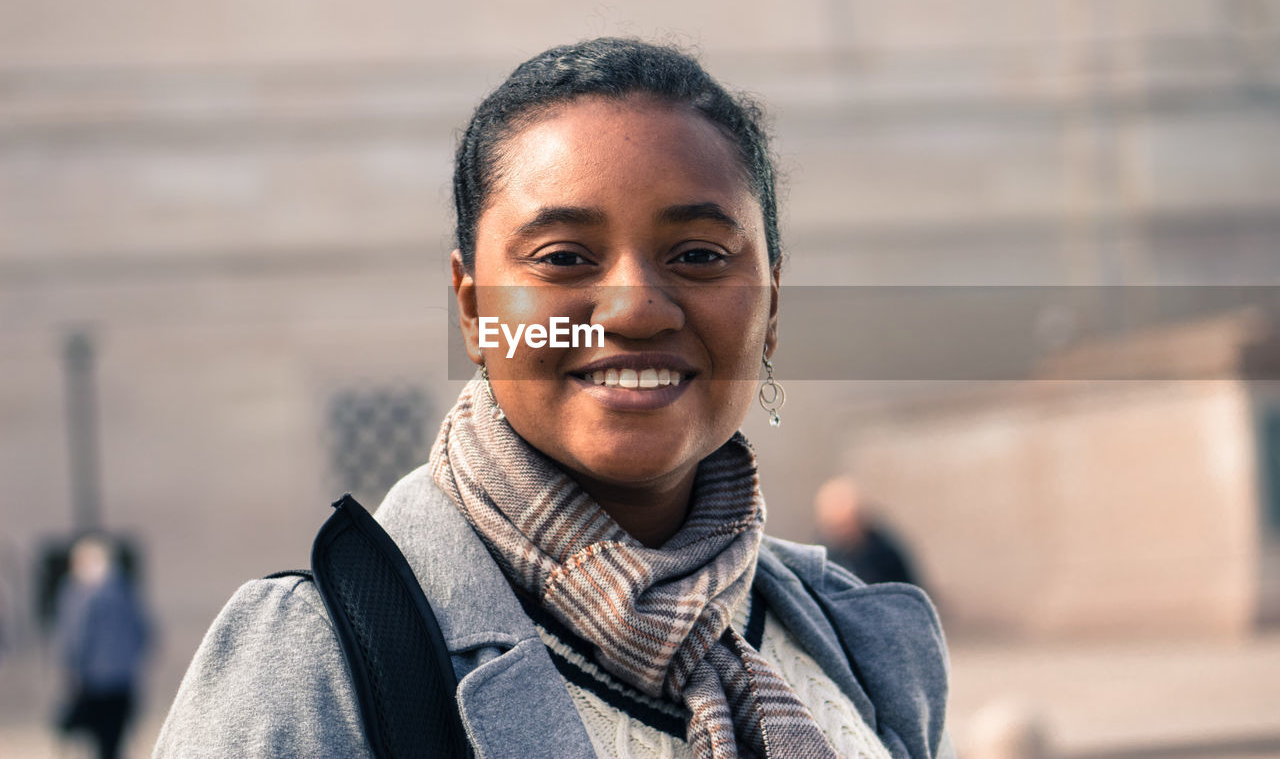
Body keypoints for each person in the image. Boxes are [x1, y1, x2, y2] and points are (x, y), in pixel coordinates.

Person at [156, 38, 954, 758]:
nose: (637, 307)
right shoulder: (318, 657)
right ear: (471, 308)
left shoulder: (858, 638)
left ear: (772, 303)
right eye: (565, 256)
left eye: (700, 254)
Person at [54, 534, 151, 759]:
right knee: (113, 742)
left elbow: (75, 636)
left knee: (96, 741)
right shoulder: (123, 591)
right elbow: (144, 632)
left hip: (94, 682)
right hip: (123, 680)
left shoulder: (77, 593)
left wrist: (73, 669)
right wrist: (129, 661)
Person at [814, 476, 921, 587]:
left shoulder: (883, 552)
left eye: (846, 525)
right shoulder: (820, 557)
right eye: (836, 527)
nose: (843, 533)